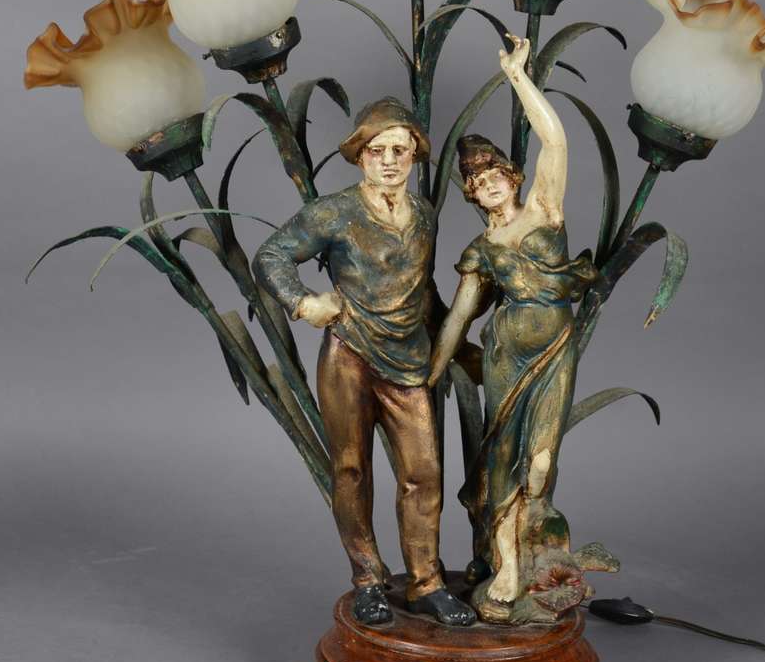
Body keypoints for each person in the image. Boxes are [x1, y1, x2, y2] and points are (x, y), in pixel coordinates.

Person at [253, 97, 476, 628]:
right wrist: (303, 303)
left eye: (400, 150)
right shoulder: (335, 211)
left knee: (423, 473)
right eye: (378, 151)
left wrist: (455, 340)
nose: (390, 161)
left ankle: (426, 582)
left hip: (408, 362)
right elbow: (271, 255)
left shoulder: (423, 215)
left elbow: (422, 288)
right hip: (349, 356)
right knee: (352, 469)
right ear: (360, 156)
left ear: (416, 154)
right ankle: (369, 580)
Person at [429, 37, 600, 622]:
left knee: (541, 461)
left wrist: (516, 76)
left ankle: (531, 558)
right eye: (476, 184)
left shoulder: (544, 209)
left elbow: (556, 140)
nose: (487, 185)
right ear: (473, 196)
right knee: (502, 460)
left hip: (554, 348)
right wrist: (433, 373)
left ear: (512, 175)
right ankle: (505, 566)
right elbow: (459, 317)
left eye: (494, 175)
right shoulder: (481, 249)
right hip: (506, 356)